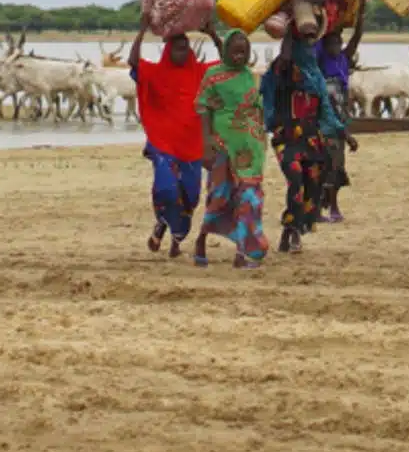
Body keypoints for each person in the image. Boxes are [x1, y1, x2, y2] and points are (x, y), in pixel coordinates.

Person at [129, 16, 222, 257]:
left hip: (192, 146)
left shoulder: (200, 73)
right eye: (178, 48)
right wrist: (142, 31)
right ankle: (163, 224)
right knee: (167, 189)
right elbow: (133, 62)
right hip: (163, 143)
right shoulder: (155, 73)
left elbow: (227, 66)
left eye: (185, 48)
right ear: (168, 51)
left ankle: (171, 234)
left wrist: (213, 35)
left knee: (190, 197)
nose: (182, 52)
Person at [261, 31, 346, 253]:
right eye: (303, 46)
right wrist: (291, 30)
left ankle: (291, 229)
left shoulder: (316, 77)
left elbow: (326, 110)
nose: (307, 51)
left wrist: (343, 133)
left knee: (312, 186)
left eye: (310, 46)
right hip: (286, 138)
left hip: (311, 140)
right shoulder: (283, 71)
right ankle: (294, 232)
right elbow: (284, 59)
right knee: (296, 181)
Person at [192, 30, 269, 269]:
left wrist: (261, 139)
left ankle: (242, 252)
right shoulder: (213, 76)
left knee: (248, 198)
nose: (239, 56)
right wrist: (206, 143)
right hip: (222, 146)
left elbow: (257, 109)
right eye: (235, 52)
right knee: (219, 197)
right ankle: (201, 241)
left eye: (243, 52)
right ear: (226, 52)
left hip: (250, 149)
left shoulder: (250, 76)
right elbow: (202, 107)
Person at [315, 3, 365, 222]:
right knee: (324, 162)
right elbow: (315, 39)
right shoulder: (320, 59)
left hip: (340, 114)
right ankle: (320, 207)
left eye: (339, 42)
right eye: (332, 42)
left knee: (337, 164)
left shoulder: (344, 58)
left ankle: (332, 206)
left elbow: (357, 36)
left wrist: (361, 11)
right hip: (323, 117)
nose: (336, 46)